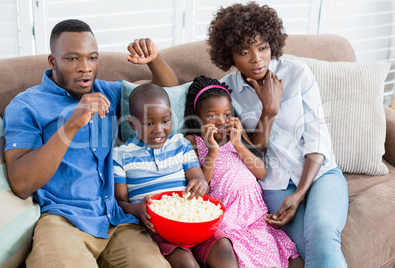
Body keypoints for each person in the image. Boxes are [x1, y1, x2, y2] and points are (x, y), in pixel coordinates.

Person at [3, 19, 179, 267]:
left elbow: (169, 94)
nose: (85, 67)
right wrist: (72, 124)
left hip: (116, 221)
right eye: (72, 59)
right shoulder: (26, 105)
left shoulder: (107, 92)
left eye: (92, 58)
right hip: (64, 222)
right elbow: (21, 183)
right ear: (53, 61)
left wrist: (154, 60)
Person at [207, 2, 349, 267]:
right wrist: (269, 110)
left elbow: (319, 141)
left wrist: (299, 195)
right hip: (274, 185)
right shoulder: (227, 91)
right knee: (305, 248)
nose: (257, 59)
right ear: (230, 55)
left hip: (320, 174)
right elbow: (254, 149)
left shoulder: (298, 74)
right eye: (244, 51)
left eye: (262, 47)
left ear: (272, 44)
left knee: (321, 232)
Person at [113, 83, 238, 268]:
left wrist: (200, 184)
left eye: (165, 121)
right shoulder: (120, 155)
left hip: (194, 221)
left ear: (171, 117)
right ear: (132, 124)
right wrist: (138, 209)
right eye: (149, 123)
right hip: (159, 230)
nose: (159, 130)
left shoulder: (180, 144)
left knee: (223, 248)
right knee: (186, 263)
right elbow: (120, 202)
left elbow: (199, 179)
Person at [184, 75, 299, 268]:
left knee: (288, 257)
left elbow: (261, 173)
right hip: (227, 215)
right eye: (212, 115)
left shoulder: (236, 135)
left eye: (227, 114)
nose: (221, 121)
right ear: (197, 118)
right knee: (242, 257)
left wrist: (238, 144)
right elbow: (201, 184)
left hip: (254, 214)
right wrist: (212, 149)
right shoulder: (193, 142)